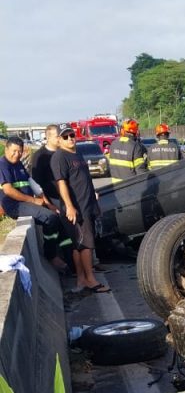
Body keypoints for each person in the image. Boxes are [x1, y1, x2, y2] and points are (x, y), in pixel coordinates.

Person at [0, 136, 75, 272]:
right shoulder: (3, 164)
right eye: (14, 151)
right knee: (50, 218)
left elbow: (34, 186)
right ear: (6, 149)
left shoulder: (18, 163)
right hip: (15, 205)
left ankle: (71, 262)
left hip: (26, 203)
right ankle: (51, 255)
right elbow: (9, 191)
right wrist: (34, 201)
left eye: (19, 151)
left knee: (58, 217)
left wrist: (48, 204)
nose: (16, 154)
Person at [51, 124, 110, 293]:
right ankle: (91, 280)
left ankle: (82, 279)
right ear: (59, 140)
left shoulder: (77, 153)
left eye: (71, 135)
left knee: (79, 245)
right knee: (86, 245)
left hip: (87, 204)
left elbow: (84, 180)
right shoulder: (59, 157)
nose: (70, 138)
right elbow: (61, 183)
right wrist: (69, 206)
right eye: (65, 136)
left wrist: (94, 199)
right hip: (77, 209)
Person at [108, 118, 147, 183]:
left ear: (122, 131)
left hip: (115, 187)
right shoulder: (135, 146)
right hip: (130, 186)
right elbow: (140, 171)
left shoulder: (113, 144)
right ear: (136, 132)